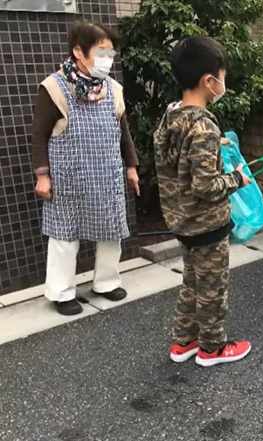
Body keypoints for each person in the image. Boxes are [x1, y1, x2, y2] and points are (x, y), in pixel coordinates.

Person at [154, 36, 252, 367]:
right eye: (222, 76)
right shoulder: (204, 126)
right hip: (206, 224)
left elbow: (179, 153)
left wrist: (213, 145)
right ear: (209, 81)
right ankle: (212, 347)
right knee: (212, 288)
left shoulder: (172, 115)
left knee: (192, 282)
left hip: (181, 220)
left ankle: (183, 342)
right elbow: (206, 186)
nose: (224, 82)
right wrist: (237, 178)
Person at [31, 21, 140, 316]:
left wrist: (131, 166)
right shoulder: (53, 87)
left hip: (107, 174)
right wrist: (42, 175)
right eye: (101, 52)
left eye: (110, 53)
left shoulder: (113, 89)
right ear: (78, 51)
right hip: (69, 177)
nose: (107, 59)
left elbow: (123, 132)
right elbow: (39, 135)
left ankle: (106, 283)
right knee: (64, 235)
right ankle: (61, 292)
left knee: (111, 231)